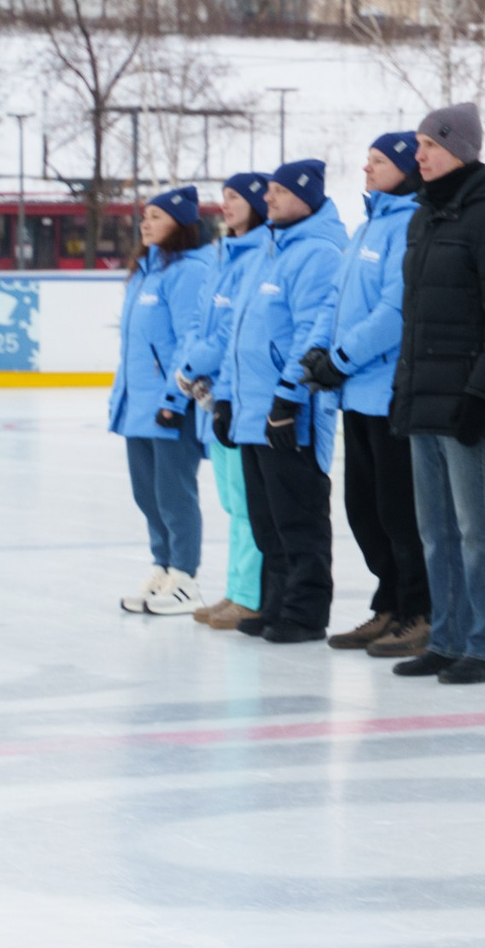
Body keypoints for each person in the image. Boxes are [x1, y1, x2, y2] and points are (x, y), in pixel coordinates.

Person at [382, 102, 485, 683]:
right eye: (418, 146)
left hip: (467, 402)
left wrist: (483, 399)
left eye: (429, 146)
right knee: (436, 531)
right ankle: (446, 638)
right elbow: (415, 320)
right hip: (424, 398)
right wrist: (405, 392)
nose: (417, 156)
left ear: (460, 151)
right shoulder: (426, 216)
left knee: (478, 532)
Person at [299, 132, 430, 653]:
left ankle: (420, 609)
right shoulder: (367, 226)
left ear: (405, 168)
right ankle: (391, 603)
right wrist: (317, 353)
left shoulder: (410, 226)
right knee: (364, 508)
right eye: (367, 159)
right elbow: (334, 300)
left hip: (389, 392)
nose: (367, 169)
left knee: (400, 510)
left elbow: (395, 312)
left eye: (379, 161)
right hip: (354, 394)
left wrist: (342, 358)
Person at [225, 159, 348, 645]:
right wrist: (229, 401)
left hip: (288, 410)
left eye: (278, 190)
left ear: (306, 196)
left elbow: (310, 333)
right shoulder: (268, 249)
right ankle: (275, 601)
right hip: (253, 409)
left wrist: (288, 396)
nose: (268, 198)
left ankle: (305, 610)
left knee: (298, 516)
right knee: (266, 519)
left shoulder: (318, 252)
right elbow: (242, 332)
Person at [110, 186, 211, 616]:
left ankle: (185, 577)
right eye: (144, 216)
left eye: (156, 216)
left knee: (174, 493)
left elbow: (189, 339)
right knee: (147, 494)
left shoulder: (188, 271)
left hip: (170, 406)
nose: (145, 223)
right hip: (138, 404)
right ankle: (164, 566)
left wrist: (174, 398)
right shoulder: (146, 271)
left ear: (180, 224)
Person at [176, 174, 269, 630]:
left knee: (249, 503)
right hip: (212, 393)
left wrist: (197, 361)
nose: (225, 205)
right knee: (233, 502)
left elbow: (232, 329)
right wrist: (192, 362)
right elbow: (199, 319)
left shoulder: (258, 255)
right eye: (224, 196)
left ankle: (250, 593)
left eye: (235, 197)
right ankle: (235, 588)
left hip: (236, 393)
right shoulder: (220, 255)